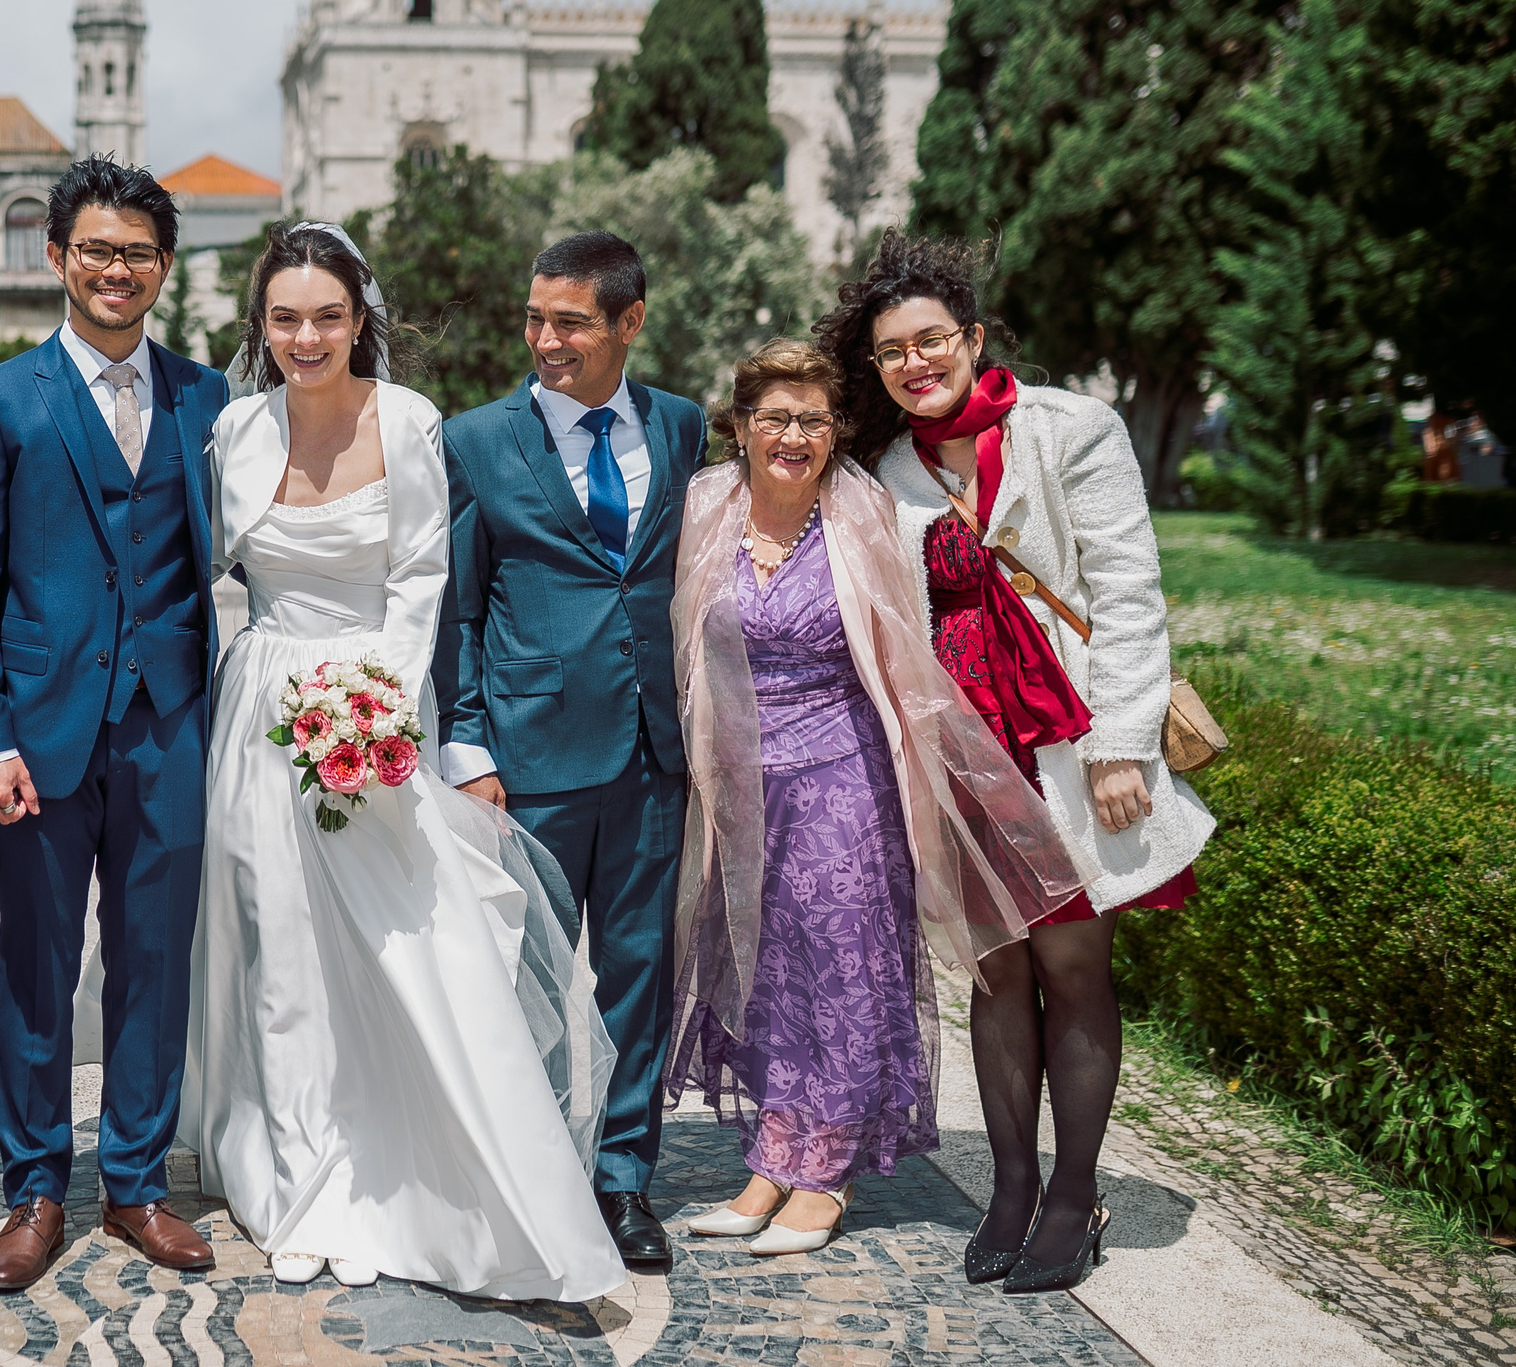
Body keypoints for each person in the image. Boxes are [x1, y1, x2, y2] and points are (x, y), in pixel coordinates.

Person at [183, 223, 625, 1300]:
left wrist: (374, 711)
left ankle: (433, 1174)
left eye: (326, 314)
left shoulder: (409, 419)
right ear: (263, 325)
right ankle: (295, 1183)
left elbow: (423, 576)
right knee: (279, 949)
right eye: (285, 316)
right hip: (260, 707)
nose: (306, 334)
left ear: (358, 318)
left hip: (371, 706)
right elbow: (195, 574)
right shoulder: (235, 429)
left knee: (401, 948)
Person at [818, 230, 1215, 1293]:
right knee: (995, 972)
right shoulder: (881, 469)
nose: (914, 361)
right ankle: (1007, 1184)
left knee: (1074, 967)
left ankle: (1074, 1194)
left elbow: (1129, 589)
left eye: (931, 339)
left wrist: (1123, 745)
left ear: (972, 337)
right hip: (959, 756)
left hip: (1068, 742)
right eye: (892, 350)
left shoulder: (1068, 427)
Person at [664, 340, 1082, 1257]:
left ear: (835, 432)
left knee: (845, 969)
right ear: (740, 425)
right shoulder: (705, 507)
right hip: (739, 777)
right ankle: (774, 1156)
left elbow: (906, 656)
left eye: (814, 420)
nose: (794, 435)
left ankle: (828, 1170)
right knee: (766, 966)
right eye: (775, 417)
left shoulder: (862, 513)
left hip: (846, 771)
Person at [0, 155, 230, 1292]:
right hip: (39, 733)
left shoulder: (209, 399)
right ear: (59, 257)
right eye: (97, 249)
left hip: (169, 721)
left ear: (164, 266)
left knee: (156, 962)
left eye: (139, 252)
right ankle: (32, 1189)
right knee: (40, 965)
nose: (118, 269)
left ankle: (138, 1181)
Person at [433, 231, 705, 1273]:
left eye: (570, 322)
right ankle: (534, 1169)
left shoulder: (679, 427)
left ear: (628, 321)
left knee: (637, 975)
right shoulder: (474, 440)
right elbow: (456, 607)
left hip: (652, 753)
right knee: (528, 977)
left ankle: (623, 1176)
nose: (545, 340)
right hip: (528, 756)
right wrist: (465, 740)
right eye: (534, 318)